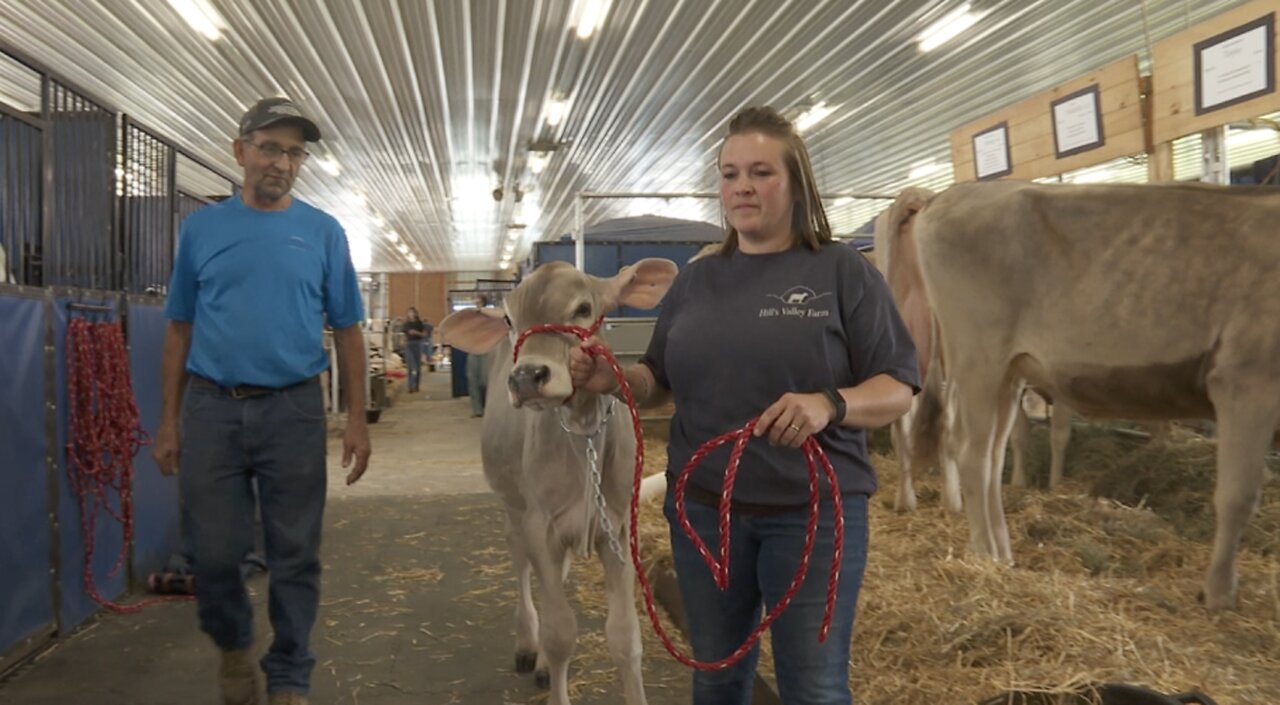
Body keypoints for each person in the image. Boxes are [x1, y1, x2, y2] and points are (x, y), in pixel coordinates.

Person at [569, 106, 919, 705]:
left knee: (814, 686)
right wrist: (612, 376)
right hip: (704, 511)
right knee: (717, 677)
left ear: (796, 184)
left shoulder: (842, 272)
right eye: (730, 175)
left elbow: (899, 386)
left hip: (811, 515)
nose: (742, 188)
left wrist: (828, 405)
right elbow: (659, 377)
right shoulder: (698, 281)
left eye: (761, 172)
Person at [152, 96, 372, 705]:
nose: (282, 162)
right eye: (270, 147)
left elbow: (349, 329)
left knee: (295, 553)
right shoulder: (201, 229)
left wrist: (356, 420)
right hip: (212, 407)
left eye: (294, 152)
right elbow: (178, 328)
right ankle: (231, 645)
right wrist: (167, 421)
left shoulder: (323, 232)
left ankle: (289, 677)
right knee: (215, 554)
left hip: (294, 409)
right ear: (240, 150)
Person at [465, 295, 490, 417]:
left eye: (479, 302)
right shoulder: (471, 317)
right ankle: (477, 409)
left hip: (486, 349)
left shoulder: (490, 316)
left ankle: (487, 405)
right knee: (472, 379)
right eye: (475, 301)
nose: (476, 304)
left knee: (484, 380)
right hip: (473, 349)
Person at [402, 307, 428, 393]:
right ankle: (410, 386)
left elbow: (424, 334)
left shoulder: (419, 323)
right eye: (409, 313)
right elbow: (404, 334)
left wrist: (416, 332)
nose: (411, 314)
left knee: (417, 367)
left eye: (412, 313)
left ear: (415, 314)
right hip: (409, 345)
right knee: (410, 366)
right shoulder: (406, 324)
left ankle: (416, 384)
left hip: (417, 344)